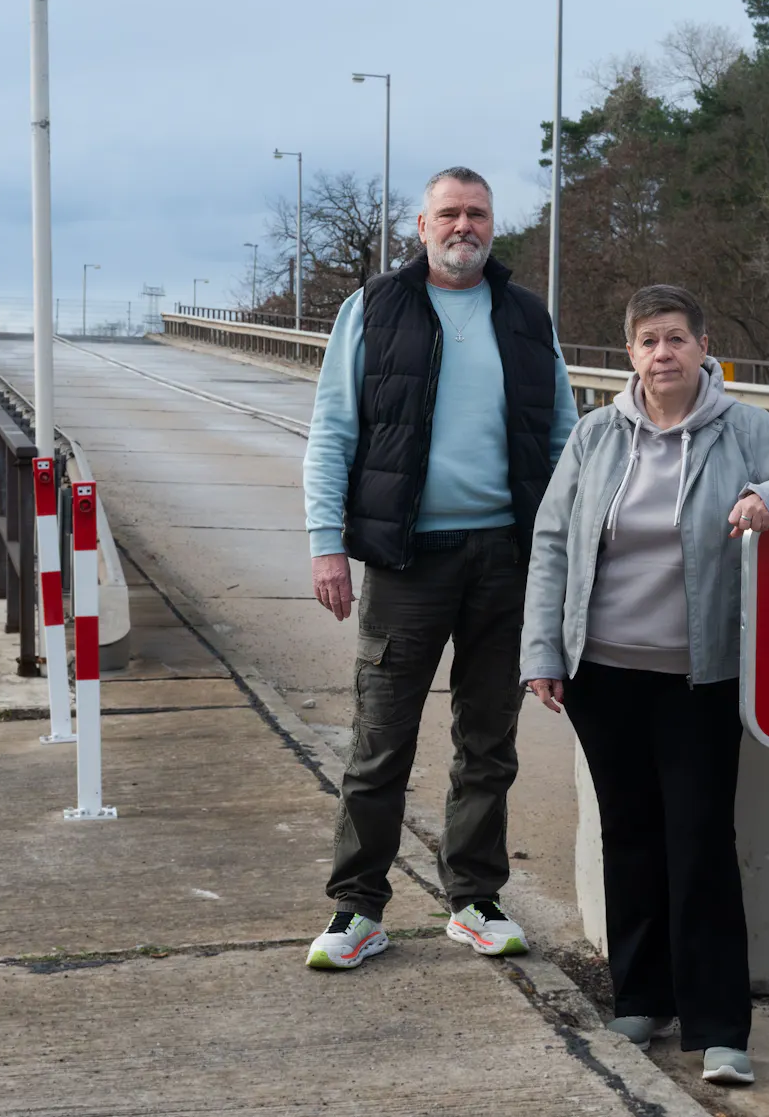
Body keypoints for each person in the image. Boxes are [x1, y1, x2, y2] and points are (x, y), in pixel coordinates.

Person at [520, 284, 769, 1087]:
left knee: (701, 843)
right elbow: (552, 543)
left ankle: (718, 1027)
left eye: (675, 338)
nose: (662, 354)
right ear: (629, 354)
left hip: (700, 679)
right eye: (647, 341)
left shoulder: (741, 429)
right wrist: (542, 649)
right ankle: (642, 998)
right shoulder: (597, 435)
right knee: (628, 837)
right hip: (601, 674)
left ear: (704, 347)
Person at [301, 166, 579, 971]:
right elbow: (332, 431)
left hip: (505, 556)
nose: (465, 226)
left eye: (478, 214)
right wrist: (327, 541)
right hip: (407, 559)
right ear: (421, 226)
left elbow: (562, 438)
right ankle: (357, 908)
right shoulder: (374, 309)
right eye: (449, 213)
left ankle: (475, 899)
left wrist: (561, 554)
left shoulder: (526, 317)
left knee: (489, 741)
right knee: (379, 740)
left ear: (494, 226)